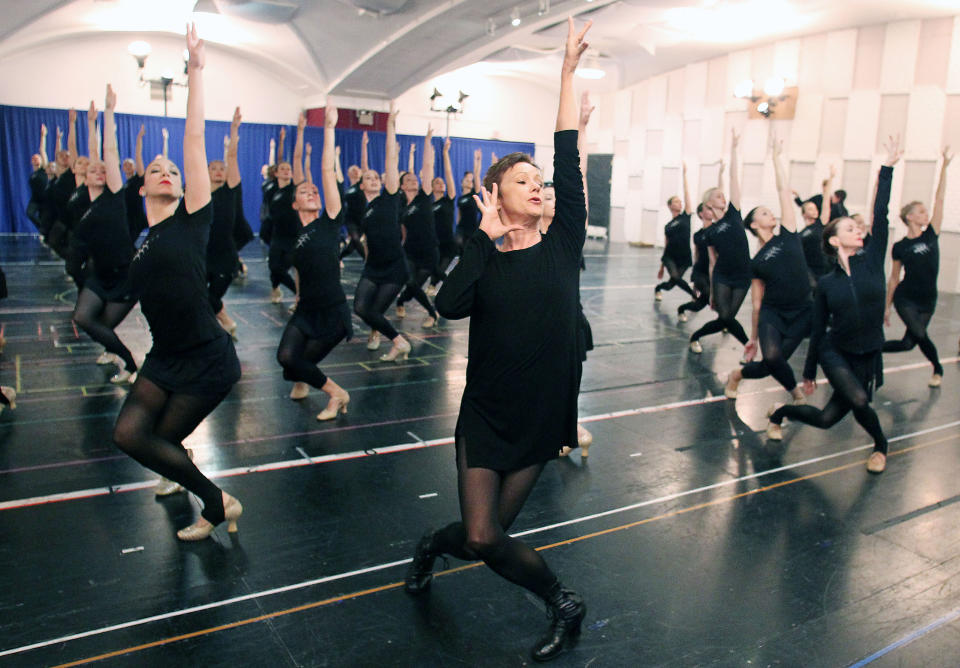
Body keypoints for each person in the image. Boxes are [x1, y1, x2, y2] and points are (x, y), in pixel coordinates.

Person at [404, 18, 592, 662]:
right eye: (524, 180)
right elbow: (447, 305)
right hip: (486, 413)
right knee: (484, 534)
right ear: (497, 195)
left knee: (489, 536)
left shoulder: (564, 242)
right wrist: (482, 239)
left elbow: (568, 153)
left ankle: (434, 543)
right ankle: (563, 601)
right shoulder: (481, 252)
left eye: (540, 180)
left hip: (540, 416)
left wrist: (566, 72)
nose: (539, 185)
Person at [112, 25, 243, 540]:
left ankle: (215, 506)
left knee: (162, 443)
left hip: (208, 358)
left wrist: (196, 70)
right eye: (156, 169)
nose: (168, 172)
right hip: (164, 358)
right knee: (130, 436)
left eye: (173, 170)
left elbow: (193, 138)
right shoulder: (140, 240)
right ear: (141, 185)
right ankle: (211, 496)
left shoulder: (193, 219)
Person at [767, 136, 902, 475]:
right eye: (850, 228)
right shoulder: (827, 284)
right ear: (833, 239)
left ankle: (779, 413)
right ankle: (881, 447)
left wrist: (886, 168)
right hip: (835, 352)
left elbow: (880, 214)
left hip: (867, 353)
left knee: (827, 419)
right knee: (859, 402)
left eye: (858, 227)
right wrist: (810, 372)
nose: (859, 230)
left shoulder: (872, 261)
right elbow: (817, 328)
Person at [277, 104, 353, 419]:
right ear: (295, 203)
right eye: (303, 191)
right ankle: (321, 386)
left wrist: (328, 128)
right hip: (306, 309)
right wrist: (296, 294)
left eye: (313, 191)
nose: (311, 191)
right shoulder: (295, 238)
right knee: (287, 359)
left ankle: (336, 395)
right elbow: (298, 270)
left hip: (332, 312)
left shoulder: (329, 221)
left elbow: (324, 174)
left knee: (300, 365)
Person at [724, 138, 812, 404]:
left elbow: (784, 191)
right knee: (772, 357)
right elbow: (757, 301)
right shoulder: (757, 261)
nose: (770, 213)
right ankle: (796, 394)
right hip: (773, 314)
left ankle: (737, 374)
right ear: (753, 224)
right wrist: (752, 337)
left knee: (776, 362)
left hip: (802, 311)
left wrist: (776, 158)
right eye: (763, 213)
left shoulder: (788, 235)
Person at [71, 90, 138, 384]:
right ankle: (126, 359)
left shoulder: (113, 196)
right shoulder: (84, 207)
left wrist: (106, 116)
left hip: (126, 274)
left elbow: (106, 152)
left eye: (104, 170)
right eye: (93, 169)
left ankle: (130, 366)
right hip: (99, 275)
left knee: (105, 328)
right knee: (83, 318)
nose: (100, 171)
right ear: (84, 176)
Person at [882, 146, 951, 387]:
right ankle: (938, 368)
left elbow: (939, 199)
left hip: (927, 299)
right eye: (921, 212)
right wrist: (887, 307)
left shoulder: (931, 235)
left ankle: (867, 349)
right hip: (906, 298)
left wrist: (945, 166)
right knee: (920, 334)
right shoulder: (900, 246)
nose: (926, 214)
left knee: (908, 344)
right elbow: (893, 278)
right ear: (909, 217)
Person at [352, 101, 412, 361]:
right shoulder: (363, 209)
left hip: (394, 267)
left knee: (374, 311)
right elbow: (366, 239)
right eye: (369, 178)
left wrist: (390, 126)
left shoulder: (388, 196)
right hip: (373, 266)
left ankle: (396, 341)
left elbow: (391, 158)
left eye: (377, 177)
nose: (374, 180)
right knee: (361, 308)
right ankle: (394, 340)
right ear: (362, 184)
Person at [688, 130, 750, 354]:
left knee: (727, 318)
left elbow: (734, 179)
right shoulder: (710, 232)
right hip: (723, 276)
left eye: (723, 195)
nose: (723, 197)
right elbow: (713, 263)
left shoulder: (734, 214)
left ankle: (697, 336)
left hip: (743, 275)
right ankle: (748, 346)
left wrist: (733, 149)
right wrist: (712, 293)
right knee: (725, 317)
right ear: (708, 203)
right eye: (718, 196)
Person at [395, 126, 441, 328]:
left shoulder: (424, 197)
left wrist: (427, 140)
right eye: (408, 179)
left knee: (415, 285)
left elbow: (428, 165)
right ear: (402, 186)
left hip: (429, 251)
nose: (413, 180)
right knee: (411, 283)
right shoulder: (401, 206)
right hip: (410, 252)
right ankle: (433, 314)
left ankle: (400, 301)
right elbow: (403, 230)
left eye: (415, 178)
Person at [206, 106, 243, 338]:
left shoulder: (230, 190)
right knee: (197, 296)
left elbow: (232, 156)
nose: (219, 171)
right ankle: (219, 326)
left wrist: (234, 129)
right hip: (203, 255)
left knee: (211, 298)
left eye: (222, 169)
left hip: (225, 257)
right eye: (214, 168)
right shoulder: (199, 194)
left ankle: (226, 322)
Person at [654, 162, 695, 301]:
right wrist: (661, 267)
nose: (680, 203)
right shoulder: (668, 226)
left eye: (680, 202)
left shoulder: (686, 216)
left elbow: (687, 193)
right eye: (676, 202)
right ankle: (695, 296)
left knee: (672, 284)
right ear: (670, 206)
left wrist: (685, 175)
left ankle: (658, 288)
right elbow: (666, 246)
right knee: (676, 278)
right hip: (670, 257)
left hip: (684, 256)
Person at [426, 137, 458, 296]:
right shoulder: (429, 204)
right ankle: (451, 285)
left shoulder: (448, 199)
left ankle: (433, 285)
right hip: (433, 242)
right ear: (431, 187)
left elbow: (449, 173)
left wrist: (445, 153)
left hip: (448, 242)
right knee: (434, 266)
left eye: (442, 183)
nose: (441, 184)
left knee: (442, 266)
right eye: (437, 182)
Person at [677, 204, 715, 322]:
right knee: (709, 296)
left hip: (714, 272)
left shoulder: (717, 230)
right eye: (708, 209)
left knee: (699, 305)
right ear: (701, 214)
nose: (711, 211)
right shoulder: (697, 235)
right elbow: (697, 254)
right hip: (700, 272)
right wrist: (694, 276)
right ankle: (725, 320)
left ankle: (681, 308)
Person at [798, 169, 834, 289]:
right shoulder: (801, 234)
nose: (815, 211)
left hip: (825, 269)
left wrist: (830, 180)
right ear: (803, 214)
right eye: (810, 209)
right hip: (810, 274)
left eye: (815, 209)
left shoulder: (820, 223)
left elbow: (825, 205)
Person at [340, 131, 369, 262]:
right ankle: (368, 261)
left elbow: (364, 163)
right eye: (353, 170)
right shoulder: (348, 189)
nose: (356, 171)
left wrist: (364, 145)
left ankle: (337, 258)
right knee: (356, 239)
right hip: (350, 219)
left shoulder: (361, 185)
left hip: (362, 218)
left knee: (353, 245)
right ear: (349, 174)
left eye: (357, 170)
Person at [122, 124, 148, 242]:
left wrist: (139, 138)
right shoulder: (124, 184)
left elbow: (138, 156)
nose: (127, 166)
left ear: (134, 167)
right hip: (127, 219)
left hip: (137, 219)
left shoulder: (138, 178)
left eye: (130, 164)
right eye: (125, 164)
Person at [454, 149, 483, 253]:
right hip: (461, 229)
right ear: (462, 183)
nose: (470, 182)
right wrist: (457, 228)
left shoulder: (474, 193)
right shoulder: (460, 199)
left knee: (470, 252)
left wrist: (477, 160)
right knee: (459, 252)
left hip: (472, 229)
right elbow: (459, 215)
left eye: (471, 181)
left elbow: (476, 175)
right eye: (467, 180)